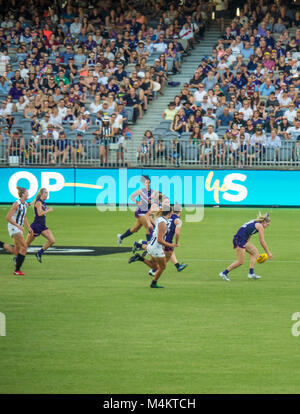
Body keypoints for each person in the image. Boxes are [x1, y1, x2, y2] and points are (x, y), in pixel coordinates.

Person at [129, 206, 178, 288]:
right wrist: (171, 245)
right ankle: (153, 283)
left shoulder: (160, 219)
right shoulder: (163, 224)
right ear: (170, 213)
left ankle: (139, 257)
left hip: (151, 246)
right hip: (156, 248)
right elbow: (160, 240)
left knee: (154, 266)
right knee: (162, 267)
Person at [219, 212, 273, 282]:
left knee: (255, 253)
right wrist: (268, 253)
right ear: (263, 222)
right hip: (240, 240)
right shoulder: (260, 226)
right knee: (240, 262)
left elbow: (249, 232)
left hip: (242, 239)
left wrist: (247, 243)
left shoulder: (255, 222)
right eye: (267, 224)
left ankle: (251, 273)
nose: (267, 226)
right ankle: (224, 273)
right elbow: (262, 241)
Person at [0, 187, 33, 275]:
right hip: (14, 227)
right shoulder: (16, 204)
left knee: (16, 251)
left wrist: (29, 227)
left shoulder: (25, 204)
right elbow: (8, 217)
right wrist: (18, 226)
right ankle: (17, 270)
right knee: (24, 247)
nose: (28, 194)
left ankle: (0, 244)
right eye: (27, 193)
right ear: (22, 194)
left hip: (19, 227)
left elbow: (24, 217)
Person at [117, 176, 156, 246]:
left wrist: (152, 202)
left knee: (135, 229)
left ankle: (121, 237)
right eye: (146, 182)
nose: (148, 184)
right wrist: (137, 202)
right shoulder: (141, 191)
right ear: (144, 183)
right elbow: (131, 196)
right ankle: (149, 247)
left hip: (147, 212)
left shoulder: (152, 192)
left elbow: (154, 201)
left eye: (149, 182)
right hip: (140, 212)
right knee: (149, 226)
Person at [25, 188, 55, 263]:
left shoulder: (43, 202)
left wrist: (46, 210)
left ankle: (39, 253)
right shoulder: (39, 203)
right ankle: (17, 257)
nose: (46, 194)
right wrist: (48, 210)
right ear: (41, 194)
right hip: (36, 226)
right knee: (26, 244)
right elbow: (39, 214)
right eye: (45, 192)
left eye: (47, 193)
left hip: (42, 226)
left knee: (52, 240)